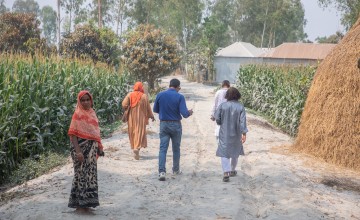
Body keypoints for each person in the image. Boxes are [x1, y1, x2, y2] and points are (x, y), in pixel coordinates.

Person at [68, 90, 104, 212]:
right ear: (79, 101)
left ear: (91, 100)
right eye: (83, 100)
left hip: (91, 150)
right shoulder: (77, 114)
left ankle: (87, 204)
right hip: (80, 150)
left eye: (87, 99)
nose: (86, 102)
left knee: (90, 176)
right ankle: (79, 205)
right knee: (80, 175)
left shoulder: (92, 113)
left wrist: (99, 146)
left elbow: (95, 132)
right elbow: (72, 135)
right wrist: (78, 152)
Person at [153, 78, 193, 181]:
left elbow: (155, 109)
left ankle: (161, 172)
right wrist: (189, 112)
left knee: (163, 149)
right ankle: (175, 170)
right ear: (178, 87)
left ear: (169, 85)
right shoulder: (180, 97)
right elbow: (184, 114)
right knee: (176, 148)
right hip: (176, 125)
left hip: (164, 124)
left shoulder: (160, 95)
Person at [214, 87, 248, 182]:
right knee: (235, 151)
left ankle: (226, 172)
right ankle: (232, 170)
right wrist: (244, 133)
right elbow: (243, 122)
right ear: (237, 95)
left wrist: (220, 122)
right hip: (236, 133)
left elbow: (217, 118)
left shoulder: (223, 106)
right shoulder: (240, 107)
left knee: (224, 152)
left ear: (227, 96)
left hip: (224, 133)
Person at [122, 82, 155, 160]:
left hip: (131, 117)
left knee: (132, 132)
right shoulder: (144, 96)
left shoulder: (129, 95)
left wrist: (128, 107)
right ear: (141, 88)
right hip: (141, 118)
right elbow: (148, 108)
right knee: (139, 132)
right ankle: (137, 148)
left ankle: (134, 147)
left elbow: (123, 104)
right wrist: (151, 116)